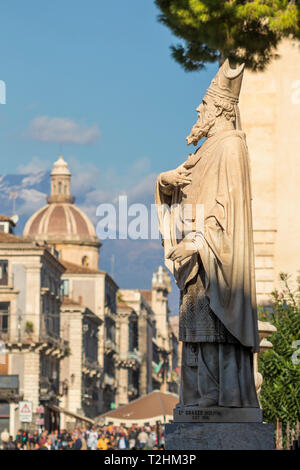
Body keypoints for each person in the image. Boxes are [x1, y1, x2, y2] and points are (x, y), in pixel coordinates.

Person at [155, 59, 260, 408]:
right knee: (198, 332)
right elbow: (184, 193)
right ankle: (203, 393)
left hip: (213, 259)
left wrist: (198, 242)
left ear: (219, 110)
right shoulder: (203, 151)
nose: (198, 109)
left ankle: (220, 396)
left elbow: (229, 214)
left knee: (216, 329)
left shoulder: (230, 146)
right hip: (196, 264)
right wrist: (164, 183)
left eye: (204, 104)